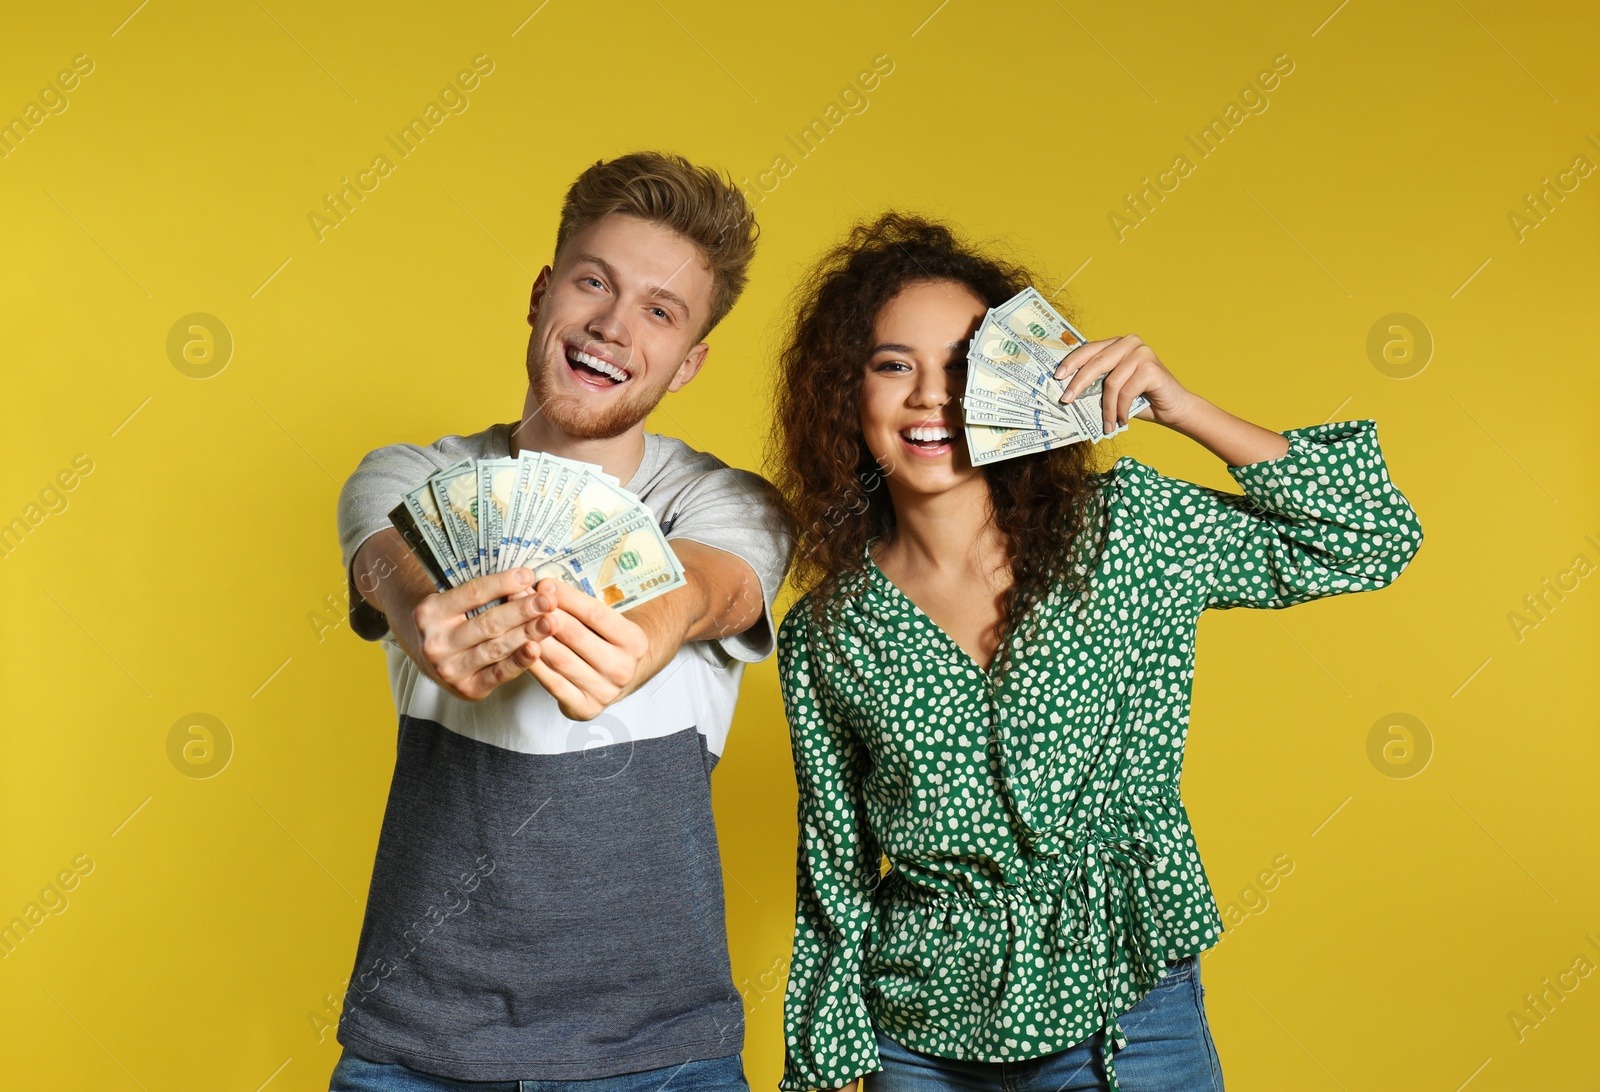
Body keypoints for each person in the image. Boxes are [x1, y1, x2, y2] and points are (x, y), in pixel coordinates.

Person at [767, 213, 1424, 1092]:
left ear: (1019, 375)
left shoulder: (1127, 534)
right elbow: (834, 873)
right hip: (916, 1037)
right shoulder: (825, 633)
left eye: (967, 365)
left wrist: (1179, 407)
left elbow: (1370, 535)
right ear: (846, 395)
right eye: (895, 365)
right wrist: (823, 1061)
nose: (933, 396)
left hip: (1128, 1017)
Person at [328, 151, 791, 1091]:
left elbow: (719, 584)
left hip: (666, 1058)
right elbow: (388, 556)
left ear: (691, 359)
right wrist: (425, 614)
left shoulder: (726, 502)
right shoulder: (410, 477)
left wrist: (655, 629)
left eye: (661, 312)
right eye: (594, 283)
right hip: (415, 1049)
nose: (614, 328)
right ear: (543, 293)